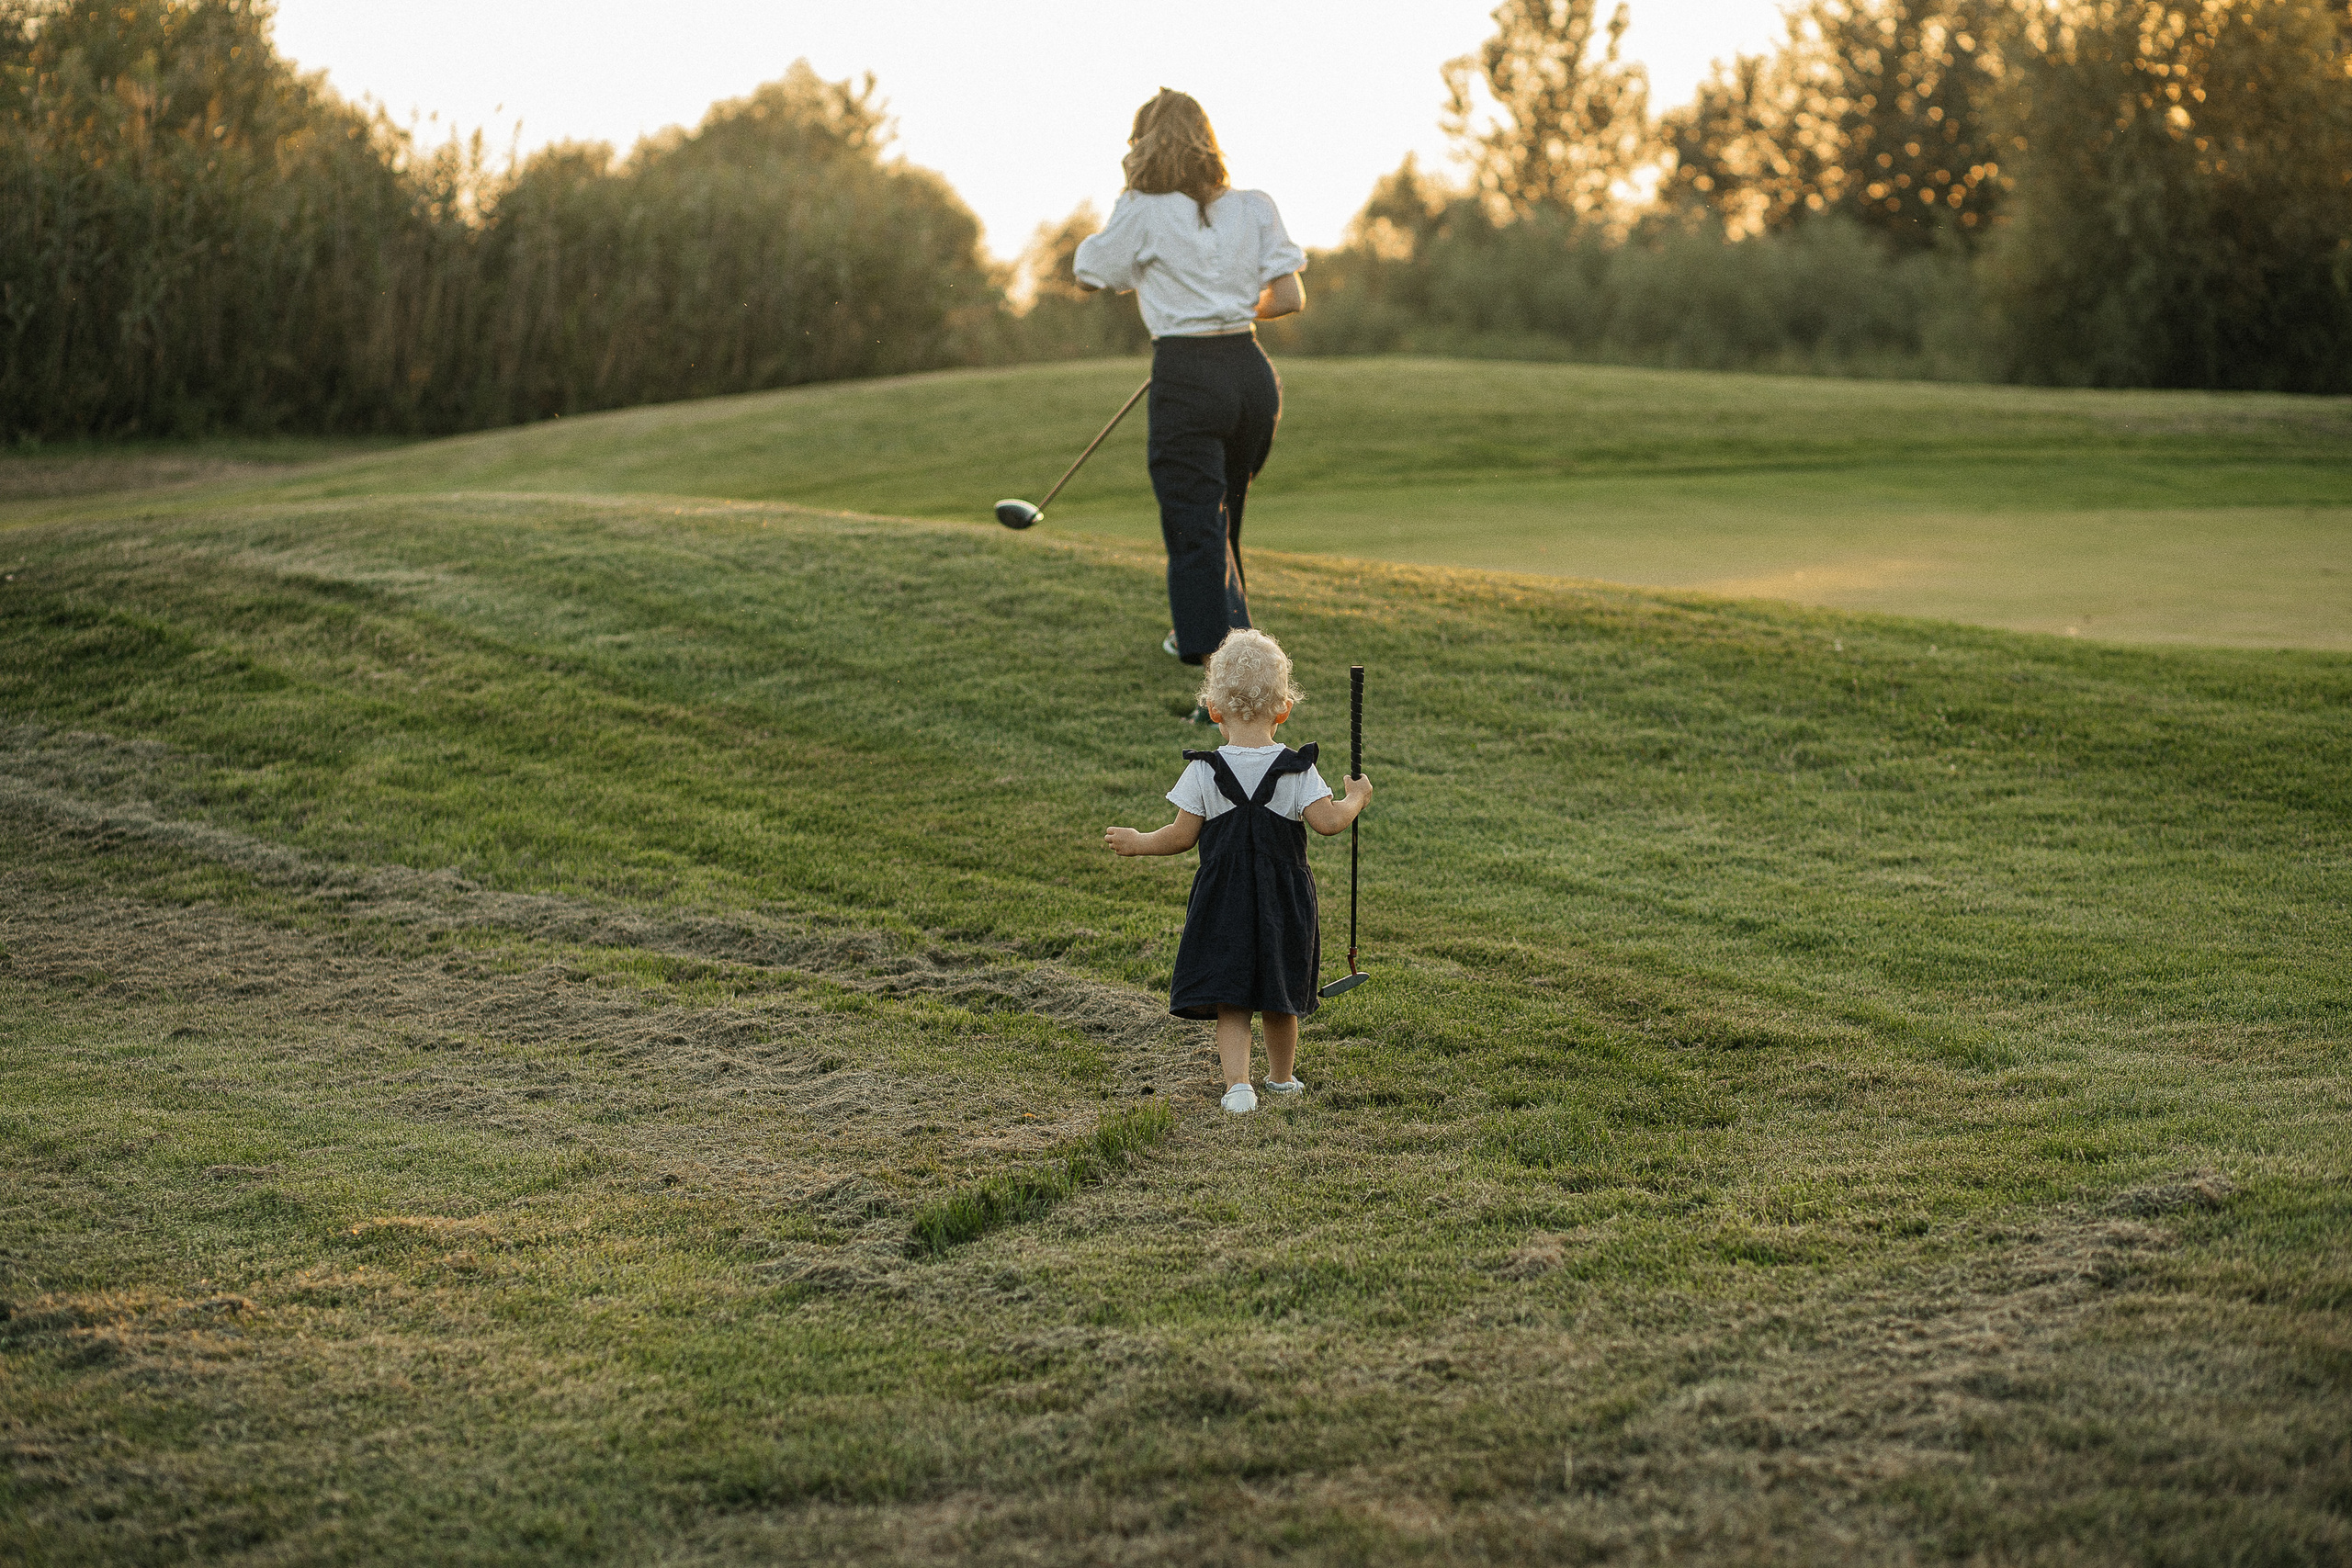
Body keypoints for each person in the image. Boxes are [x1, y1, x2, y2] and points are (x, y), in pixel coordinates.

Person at [1074, 90, 1306, 717]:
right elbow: (1287, 295)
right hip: (1251, 373)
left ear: (1145, 143)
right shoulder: (1256, 207)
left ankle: (1230, 696)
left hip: (1187, 371)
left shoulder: (1142, 208)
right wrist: (1224, 310)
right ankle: (1216, 645)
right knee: (1220, 528)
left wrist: (1189, 316)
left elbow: (1091, 271)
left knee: (1198, 531)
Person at [1103, 630, 1372, 1114]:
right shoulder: (1297, 770)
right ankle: (1282, 1079)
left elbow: (1181, 836)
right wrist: (1355, 799)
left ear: (1214, 709)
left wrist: (1140, 842)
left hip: (1222, 899)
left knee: (1232, 996)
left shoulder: (1205, 772)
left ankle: (1238, 1086)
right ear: (1284, 709)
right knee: (1280, 992)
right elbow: (1329, 824)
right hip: (1283, 901)